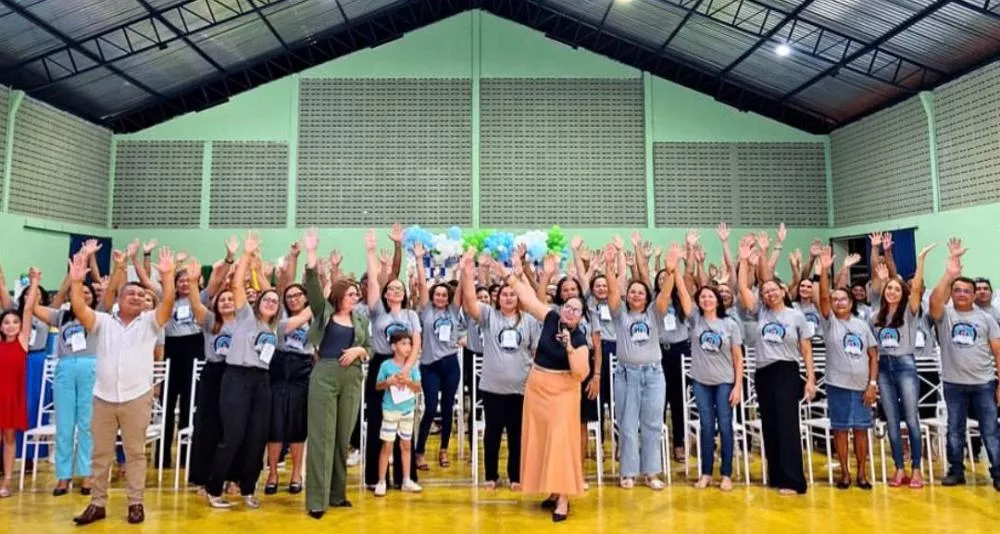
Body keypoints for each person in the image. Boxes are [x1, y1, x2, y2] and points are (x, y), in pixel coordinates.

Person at [71, 247, 177, 526]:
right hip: (103, 397)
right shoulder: (104, 322)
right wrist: (75, 282)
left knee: (135, 453)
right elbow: (80, 309)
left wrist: (167, 276)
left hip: (136, 397)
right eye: (131, 293)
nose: (138, 297)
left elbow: (167, 303)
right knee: (101, 454)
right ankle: (97, 503)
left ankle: (136, 503)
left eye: (142, 295)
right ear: (118, 298)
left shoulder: (150, 324)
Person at [497, 251, 588, 522]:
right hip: (537, 387)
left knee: (560, 442)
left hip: (563, 393)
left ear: (581, 317)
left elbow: (581, 372)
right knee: (542, 440)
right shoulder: (550, 318)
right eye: (568, 306)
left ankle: (563, 498)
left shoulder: (580, 338)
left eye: (576, 309)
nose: (570, 311)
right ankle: (551, 490)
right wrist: (510, 274)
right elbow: (526, 297)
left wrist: (570, 348)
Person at [736, 233, 815, 495]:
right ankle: (776, 474)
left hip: (787, 371)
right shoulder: (760, 312)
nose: (769, 293)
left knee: (787, 424)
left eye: (773, 289)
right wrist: (745, 261)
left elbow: (806, 350)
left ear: (783, 291)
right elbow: (744, 290)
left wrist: (811, 379)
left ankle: (793, 480)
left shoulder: (796, 316)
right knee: (769, 423)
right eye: (765, 291)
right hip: (763, 372)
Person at [205, 232, 279, 509]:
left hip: (262, 381)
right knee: (233, 434)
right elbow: (237, 285)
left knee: (256, 436)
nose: (270, 302)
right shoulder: (246, 316)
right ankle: (215, 488)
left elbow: (307, 310)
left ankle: (248, 489)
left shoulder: (276, 328)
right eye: (266, 299)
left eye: (275, 300)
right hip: (236, 378)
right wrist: (246, 255)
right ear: (258, 303)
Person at [302, 229, 371, 518]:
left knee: (343, 437)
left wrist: (360, 351)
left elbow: (370, 347)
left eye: (357, 293)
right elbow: (314, 287)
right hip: (326, 375)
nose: (356, 296)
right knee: (322, 437)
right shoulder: (324, 312)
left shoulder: (360, 317)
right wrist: (312, 253)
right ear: (340, 295)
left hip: (353, 377)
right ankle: (317, 500)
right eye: (352, 293)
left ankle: (337, 493)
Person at [928, 238, 1000, 491]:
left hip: (984, 383)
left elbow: (998, 353)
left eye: (966, 291)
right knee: (955, 430)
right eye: (956, 290)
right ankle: (956, 471)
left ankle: (998, 472)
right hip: (954, 384)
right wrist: (949, 274)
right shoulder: (945, 316)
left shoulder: (986, 318)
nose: (961, 294)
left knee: (991, 430)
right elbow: (934, 302)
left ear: (973, 295)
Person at [606, 241, 670, 491]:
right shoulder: (619, 314)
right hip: (625, 375)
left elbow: (664, 295)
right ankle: (629, 472)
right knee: (628, 423)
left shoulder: (654, 313)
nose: (635, 295)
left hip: (654, 375)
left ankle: (651, 472)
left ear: (646, 297)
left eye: (640, 292)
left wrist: (671, 271)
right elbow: (612, 293)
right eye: (632, 292)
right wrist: (610, 267)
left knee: (653, 423)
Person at [673, 266, 744, 491]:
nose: (706, 299)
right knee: (705, 427)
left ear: (718, 300)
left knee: (725, 426)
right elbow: (683, 293)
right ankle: (705, 473)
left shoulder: (730, 324)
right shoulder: (694, 320)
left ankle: (726, 474)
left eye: (710, 296)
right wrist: (675, 269)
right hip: (701, 382)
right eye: (702, 296)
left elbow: (738, 357)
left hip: (724, 381)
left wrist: (738, 386)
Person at [871, 244, 933, 488]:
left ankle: (916, 469)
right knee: (892, 422)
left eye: (897, 289)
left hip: (906, 364)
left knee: (911, 418)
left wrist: (920, 261)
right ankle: (899, 468)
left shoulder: (910, 311)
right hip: (884, 368)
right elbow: (872, 349)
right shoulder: (874, 315)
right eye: (890, 289)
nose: (893, 292)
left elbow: (916, 287)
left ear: (903, 293)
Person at [817, 247, 877, 490]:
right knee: (840, 430)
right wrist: (823, 270)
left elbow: (874, 356)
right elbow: (821, 296)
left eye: (843, 299)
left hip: (862, 387)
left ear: (852, 302)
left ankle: (862, 473)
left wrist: (872, 384)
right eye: (835, 299)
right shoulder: (829, 322)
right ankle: (844, 473)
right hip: (837, 385)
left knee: (861, 431)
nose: (838, 302)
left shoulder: (862, 325)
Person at [411, 243, 463, 471]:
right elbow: (422, 284)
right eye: (438, 294)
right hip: (430, 365)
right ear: (433, 296)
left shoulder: (453, 310)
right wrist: (420, 260)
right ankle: (419, 451)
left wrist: (465, 266)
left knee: (449, 407)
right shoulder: (426, 310)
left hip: (451, 364)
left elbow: (462, 287)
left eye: (444, 294)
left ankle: (443, 450)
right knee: (431, 408)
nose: (441, 297)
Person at [265, 280, 313, 495]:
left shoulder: (315, 319)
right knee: (274, 424)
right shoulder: (280, 318)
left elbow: (317, 350)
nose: (293, 299)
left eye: (298, 295)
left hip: (302, 371)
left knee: (297, 425)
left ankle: (296, 473)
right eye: (289, 296)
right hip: (278, 367)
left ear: (306, 298)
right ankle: (272, 473)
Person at [0, 267, 38, 498]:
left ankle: (7, 480)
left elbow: (29, 310)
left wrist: (34, 283)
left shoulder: (23, 342)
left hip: (13, 397)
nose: (12, 325)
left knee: (9, 438)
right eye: (6, 322)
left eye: (15, 322)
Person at [374, 331, 423, 496]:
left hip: (407, 409)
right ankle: (381, 480)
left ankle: (406, 479)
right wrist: (388, 382)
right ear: (394, 346)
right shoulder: (386, 365)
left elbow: (418, 387)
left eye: (409, 344)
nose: (408, 347)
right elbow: (378, 385)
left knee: (406, 444)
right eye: (403, 344)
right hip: (390, 409)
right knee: (387, 444)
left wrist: (408, 381)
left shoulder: (413, 366)